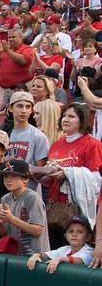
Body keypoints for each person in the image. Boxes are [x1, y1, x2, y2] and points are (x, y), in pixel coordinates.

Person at [37, 103, 102, 247]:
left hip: (79, 208)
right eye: (64, 116)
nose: (65, 119)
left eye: (71, 116)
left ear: (82, 120)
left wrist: (67, 174)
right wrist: (41, 174)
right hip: (56, 206)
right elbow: (49, 179)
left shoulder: (92, 144)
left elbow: (97, 179)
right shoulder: (56, 144)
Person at [0, 159, 49, 256]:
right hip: (15, 254)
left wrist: (11, 219)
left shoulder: (32, 198)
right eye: (5, 176)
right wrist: (1, 223)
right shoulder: (5, 199)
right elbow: (4, 233)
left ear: (25, 179)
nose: (8, 180)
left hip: (36, 256)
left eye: (14, 176)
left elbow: (38, 230)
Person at [26, 215, 94, 272]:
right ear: (66, 236)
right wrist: (37, 255)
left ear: (88, 237)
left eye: (80, 232)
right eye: (71, 231)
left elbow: (80, 260)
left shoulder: (89, 251)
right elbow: (49, 254)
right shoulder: (65, 249)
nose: (74, 234)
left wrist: (60, 259)